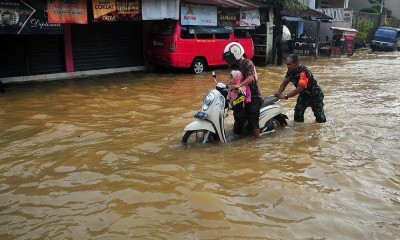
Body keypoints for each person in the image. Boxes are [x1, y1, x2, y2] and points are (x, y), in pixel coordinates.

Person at [222, 42, 263, 138]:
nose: (228, 60)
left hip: (253, 96)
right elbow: (232, 80)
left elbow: (251, 77)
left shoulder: (247, 62)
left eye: (229, 57)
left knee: (252, 114)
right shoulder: (235, 66)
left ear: (236, 53)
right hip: (240, 95)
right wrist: (225, 86)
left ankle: (258, 138)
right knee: (238, 115)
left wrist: (239, 85)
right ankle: (237, 135)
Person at [275, 54, 326, 123]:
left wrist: (286, 96)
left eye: (289, 64)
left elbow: (300, 88)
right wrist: (279, 93)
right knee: (297, 115)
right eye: (287, 64)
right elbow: (284, 83)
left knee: (320, 118)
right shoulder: (290, 71)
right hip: (304, 95)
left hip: (315, 95)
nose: (287, 66)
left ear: (296, 63)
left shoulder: (304, 72)